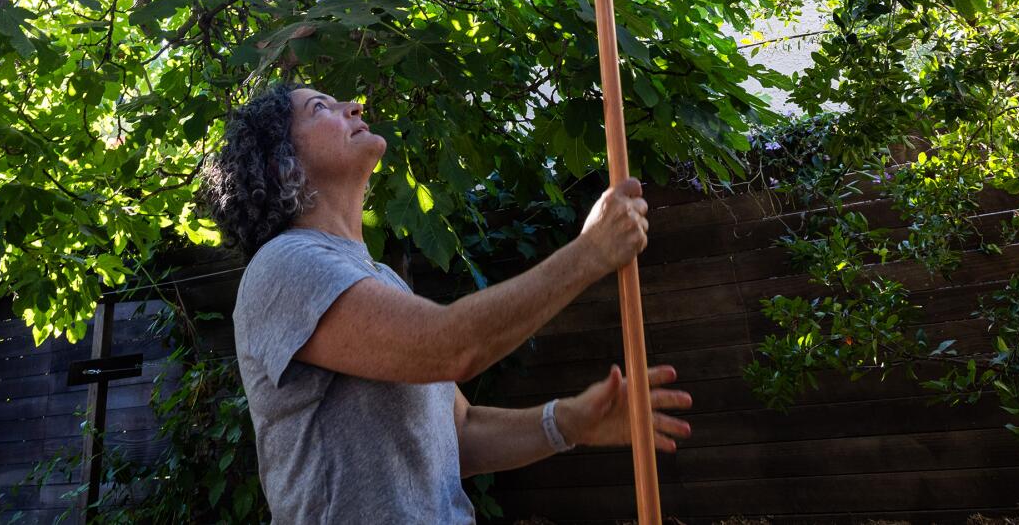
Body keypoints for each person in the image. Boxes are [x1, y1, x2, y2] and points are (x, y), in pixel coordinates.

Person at [199, 82, 692, 523]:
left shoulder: (382, 279)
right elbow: (450, 345)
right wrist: (589, 254)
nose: (353, 106)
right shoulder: (283, 266)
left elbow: (460, 430)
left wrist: (568, 422)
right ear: (279, 163)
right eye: (320, 108)